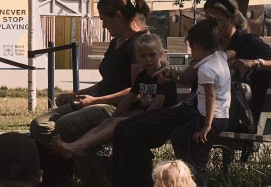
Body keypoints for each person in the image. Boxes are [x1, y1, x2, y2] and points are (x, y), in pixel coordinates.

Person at [111, 19, 229, 187]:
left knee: (132, 131)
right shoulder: (217, 57)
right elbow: (184, 78)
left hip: (195, 114)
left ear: (198, 46)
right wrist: (171, 73)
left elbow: (210, 96)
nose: (191, 52)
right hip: (188, 109)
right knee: (123, 128)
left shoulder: (207, 66)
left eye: (191, 47)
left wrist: (207, 124)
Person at [30, 0, 151, 157]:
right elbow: (107, 82)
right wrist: (75, 95)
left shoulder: (141, 44)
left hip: (117, 108)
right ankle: (81, 156)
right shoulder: (116, 41)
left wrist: (95, 100)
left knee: (64, 125)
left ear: (118, 16)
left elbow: (136, 91)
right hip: (97, 101)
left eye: (104, 20)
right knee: (39, 124)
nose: (103, 26)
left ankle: (83, 158)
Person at [51, 32, 177, 167]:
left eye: (152, 55)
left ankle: (79, 147)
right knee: (107, 123)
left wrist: (132, 118)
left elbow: (156, 107)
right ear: (137, 59)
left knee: (118, 125)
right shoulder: (142, 76)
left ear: (160, 54)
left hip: (158, 122)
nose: (148, 59)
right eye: (143, 56)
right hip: (142, 117)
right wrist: (114, 116)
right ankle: (76, 146)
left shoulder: (164, 78)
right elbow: (128, 99)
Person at [196, 0, 271, 122]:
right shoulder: (211, 44)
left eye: (217, 20)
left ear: (231, 18)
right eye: (209, 20)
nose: (212, 25)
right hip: (206, 111)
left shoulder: (248, 42)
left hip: (235, 116)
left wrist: (255, 63)